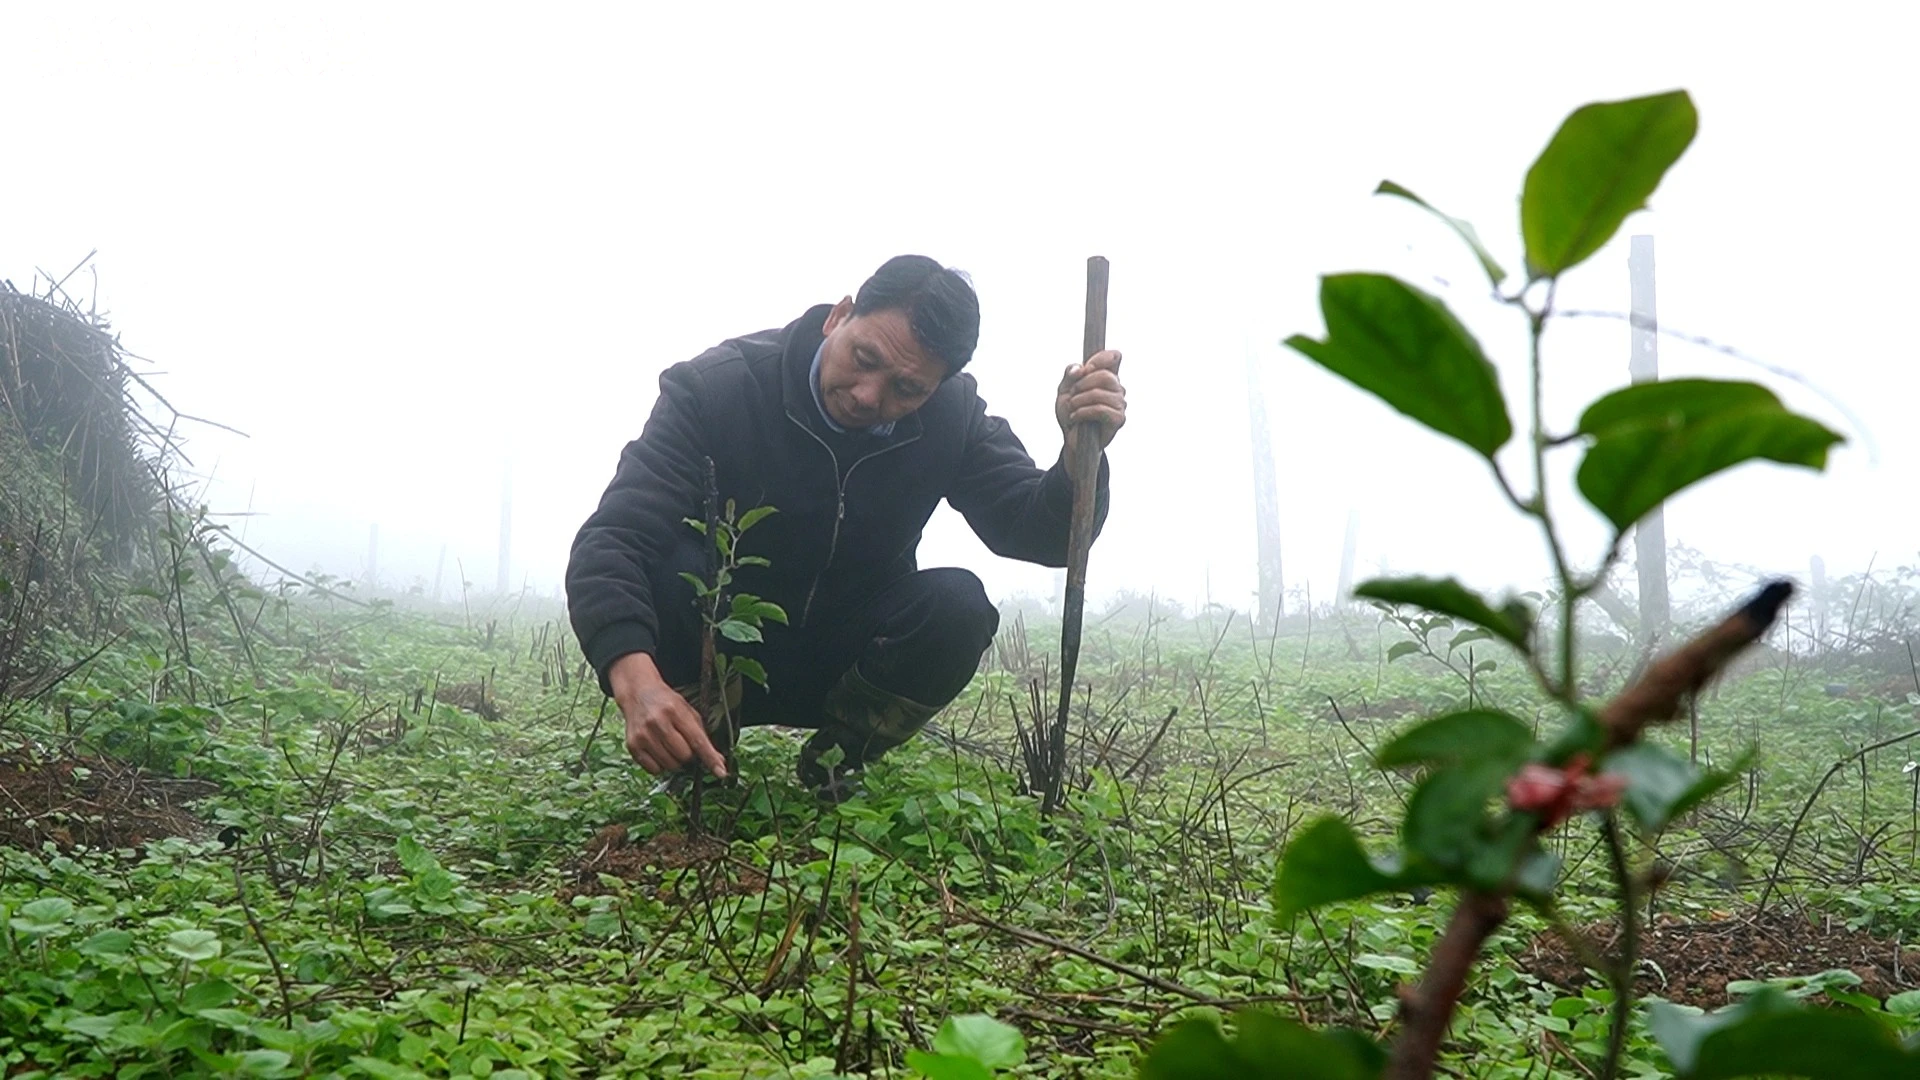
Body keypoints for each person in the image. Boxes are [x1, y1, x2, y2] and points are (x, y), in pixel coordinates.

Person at [564, 255, 1127, 801]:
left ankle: (837, 761)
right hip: (724, 646)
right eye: (864, 357)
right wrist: (636, 681)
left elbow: (1039, 533)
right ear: (840, 314)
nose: (867, 395)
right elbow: (612, 540)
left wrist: (1080, 458)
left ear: (940, 385)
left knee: (957, 605)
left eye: (907, 389)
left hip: (846, 657)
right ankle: (698, 752)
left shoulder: (952, 416)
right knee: (673, 570)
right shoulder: (717, 390)